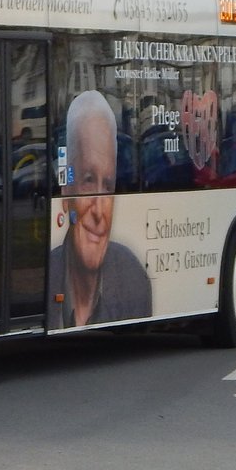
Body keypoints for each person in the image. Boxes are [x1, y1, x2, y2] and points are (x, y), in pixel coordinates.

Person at [47, 90, 150, 328]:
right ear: (66, 190)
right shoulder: (43, 277)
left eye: (108, 185)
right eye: (88, 180)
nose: (99, 210)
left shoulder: (133, 280)